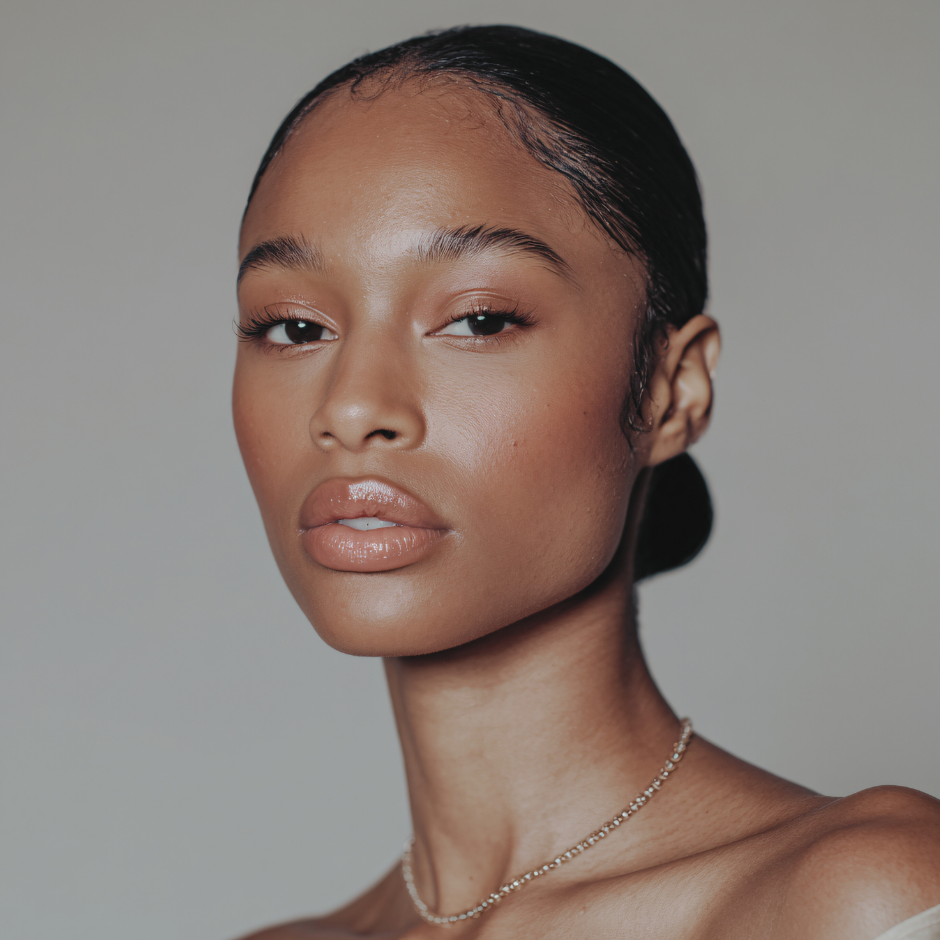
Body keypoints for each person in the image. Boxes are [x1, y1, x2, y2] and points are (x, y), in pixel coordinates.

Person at [232, 25, 940, 940]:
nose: (355, 406)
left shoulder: (860, 898)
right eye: (292, 328)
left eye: (480, 318)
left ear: (670, 389)